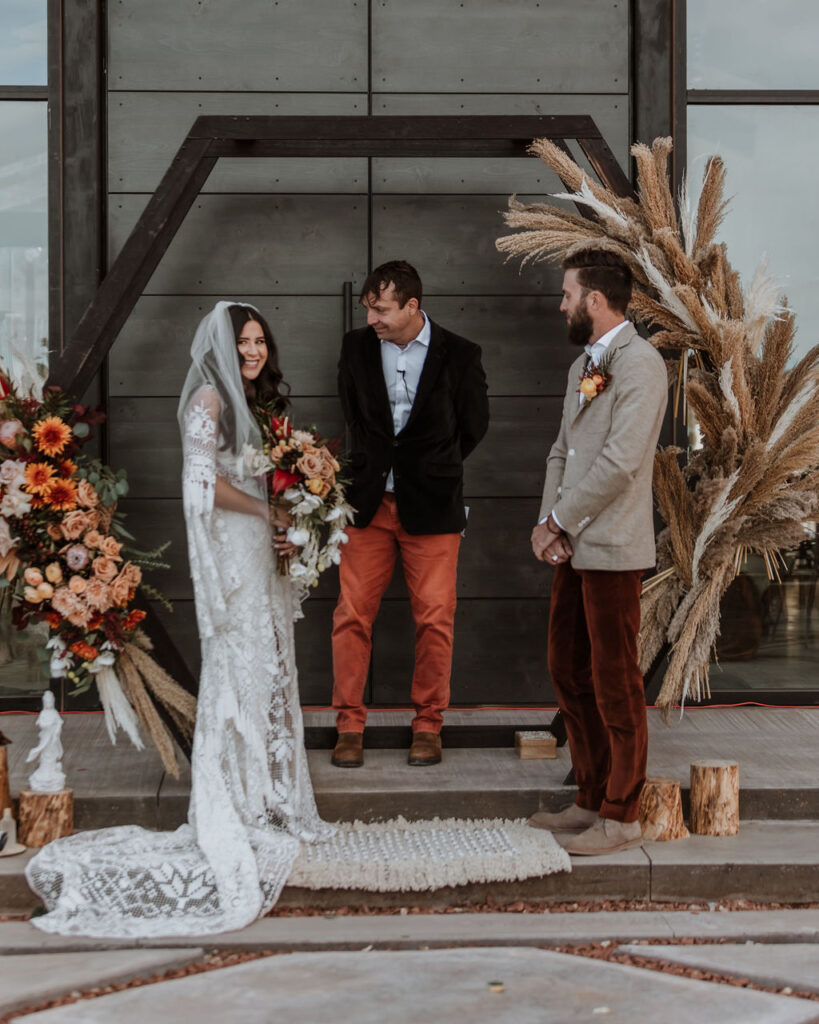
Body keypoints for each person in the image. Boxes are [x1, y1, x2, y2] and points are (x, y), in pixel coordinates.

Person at [26, 301, 333, 936]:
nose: (254, 353)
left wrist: (290, 516)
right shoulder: (207, 401)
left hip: (256, 548)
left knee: (268, 661)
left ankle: (270, 794)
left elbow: (267, 477)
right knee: (239, 662)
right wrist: (264, 511)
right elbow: (200, 485)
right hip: (230, 547)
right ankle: (238, 799)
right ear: (222, 345)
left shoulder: (255, 404)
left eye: (260, 343)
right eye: (244, 342)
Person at [527, 251, 668, 856]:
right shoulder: (584, 365)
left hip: (611, 548)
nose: (560, 304)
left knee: (615, 681)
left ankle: (622, 812)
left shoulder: (641, 366)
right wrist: (546, 522)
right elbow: (563, 451)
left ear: (594, 299)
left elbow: (620, 462)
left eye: (566, 294)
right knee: (567, 668)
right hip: (572, 546)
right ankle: (589, 795)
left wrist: (562, 519)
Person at [331, 261, 489, 769]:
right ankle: (349, 724)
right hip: (368, 505)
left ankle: (428, 724)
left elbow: (474, 426)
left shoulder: (460, 354)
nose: (372, 318)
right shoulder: (355, 348)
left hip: (434, 506)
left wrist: (434, 468)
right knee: (351, 615)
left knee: (436, 618)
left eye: (381, 309)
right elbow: (353, 415)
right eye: (368, 308)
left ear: (412, 306)